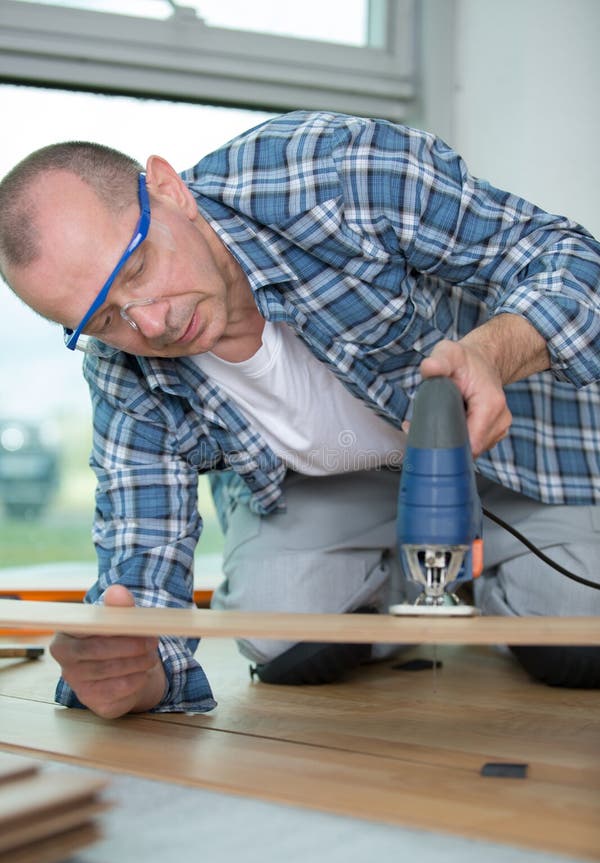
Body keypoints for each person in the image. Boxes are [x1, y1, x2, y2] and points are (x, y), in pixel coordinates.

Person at [0, 110, 599, 719]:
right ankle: (399, 590)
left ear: (168, 189)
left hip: (505, 460)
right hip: (325, 493)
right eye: (104, 318)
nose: (151, 324)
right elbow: (140, 574)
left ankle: (480, 584)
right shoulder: (122, 370)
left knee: (582, 631)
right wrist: (136, 674)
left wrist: (493, 354)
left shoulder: (335, 172)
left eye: (138, 268)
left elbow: (570, 259)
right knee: (279, 635)